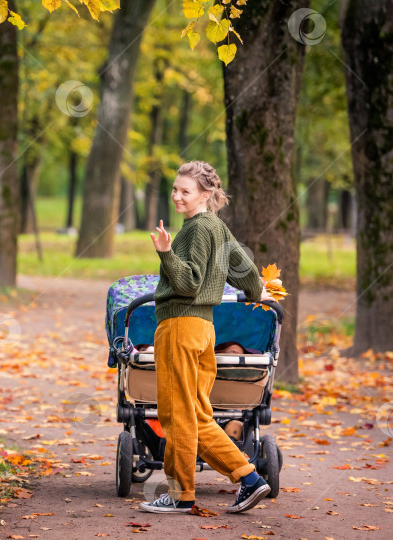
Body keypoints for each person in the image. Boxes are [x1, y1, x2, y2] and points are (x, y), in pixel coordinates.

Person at [139, 160, 273, 514]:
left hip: (180, 327)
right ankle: (248, 478)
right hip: (203, 330)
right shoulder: (219, 229)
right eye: (175, 189)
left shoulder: (196, 230)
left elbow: (188, 283)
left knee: (177, 415)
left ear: (206, 194)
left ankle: (183, 495)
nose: (177, 196)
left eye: (186, 191)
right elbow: (245, 271)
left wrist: (166, 254)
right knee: (196, 414)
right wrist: (260, 291)